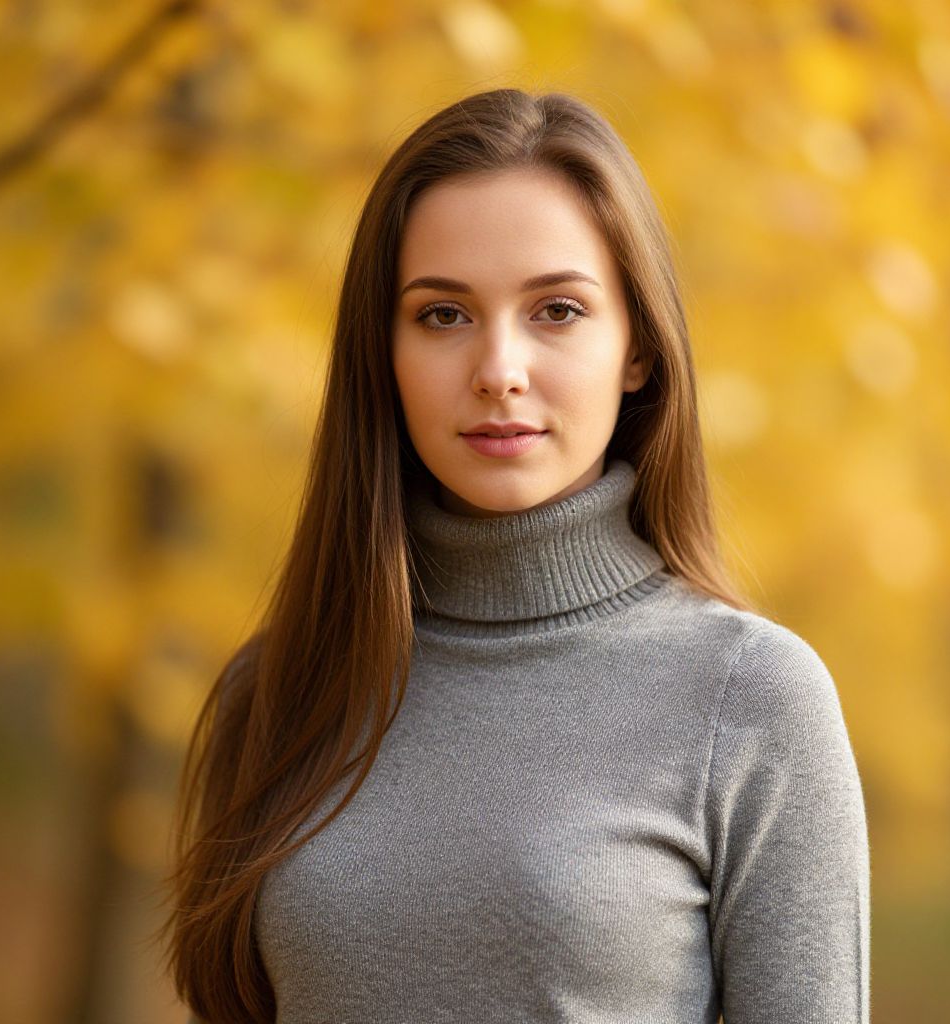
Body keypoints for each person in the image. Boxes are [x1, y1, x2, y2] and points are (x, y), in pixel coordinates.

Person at [160, 88, 871, 1024]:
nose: (498, 368)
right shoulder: (281, 692)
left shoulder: (752, 699)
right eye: (443, 316)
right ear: (384, 353)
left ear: (640, 349)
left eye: (558, 311)